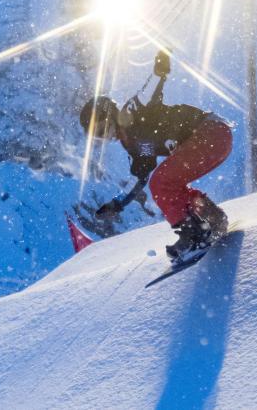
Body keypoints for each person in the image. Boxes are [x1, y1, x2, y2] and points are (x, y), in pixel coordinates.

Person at [79, 50, 233, 261]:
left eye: (101, 129)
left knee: (161, 182)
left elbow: (148, 93)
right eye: (97, 137)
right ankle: (212, 219)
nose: (105, 137)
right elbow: (139, 177)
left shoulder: (131, 112)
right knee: (168, 185)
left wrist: (160, 70)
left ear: (108, 114)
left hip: (209, 133)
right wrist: (117, 204)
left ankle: (194, 235)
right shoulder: (135, 148)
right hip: (215, 141)